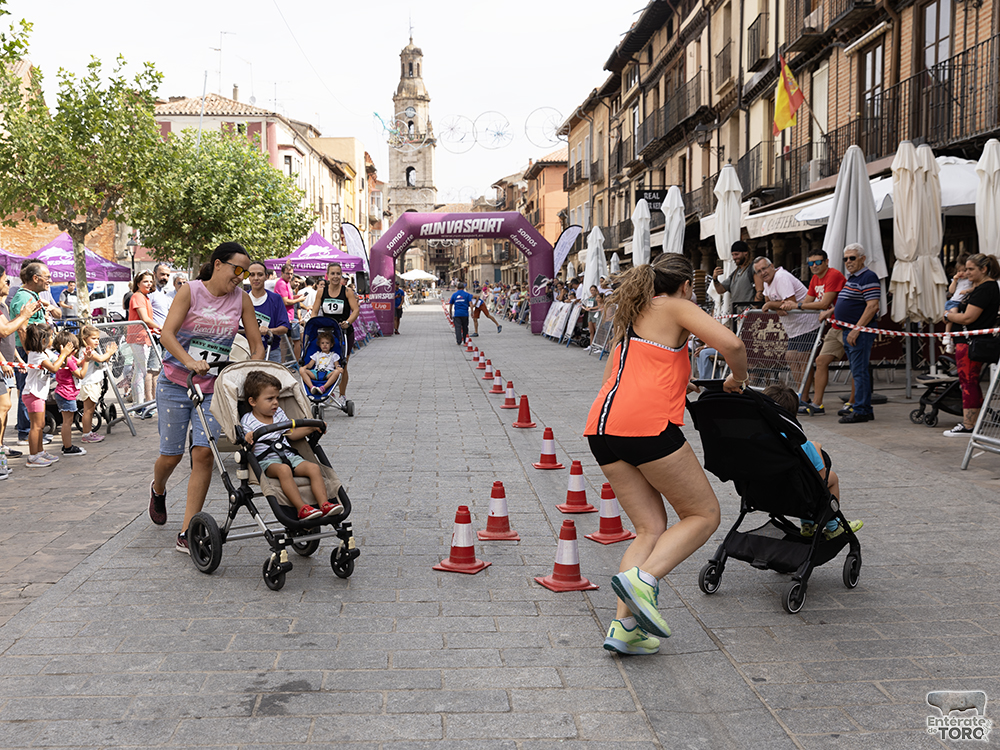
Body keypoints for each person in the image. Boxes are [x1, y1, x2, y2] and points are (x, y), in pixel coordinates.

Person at [584, 253, 748, 655]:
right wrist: (737, 378)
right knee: (704, 515)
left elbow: (615, 378)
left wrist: (680, 383)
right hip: (646, 427)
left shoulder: (633, 318)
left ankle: (625, 629)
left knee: (649, 529)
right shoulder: (676, 304)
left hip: (602, 429)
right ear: (686, 285)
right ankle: (646, 579)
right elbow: (732, 343)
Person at [151, 242, 264, 553]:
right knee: (171, 456)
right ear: (217, 264)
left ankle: (188, 530)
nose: (241, 277)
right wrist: (188, 361)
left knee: (203, 455)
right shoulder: (190, 291)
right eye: (236, 269)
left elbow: (256, 344)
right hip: (176, 383)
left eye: (245, 271)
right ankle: (158, 488)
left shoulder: (241, 299)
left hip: (214, 387)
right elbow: (167, 334)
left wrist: (249, 369)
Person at [762, 384, 864, 540]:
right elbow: (821, 478)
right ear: (793, 416)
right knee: (831, 479)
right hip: (795, 494)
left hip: (765, 493)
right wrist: (816, 449)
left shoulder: (757, 441)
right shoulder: (801, 444)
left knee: (803, 482)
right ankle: (833, 525)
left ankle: (808, 524)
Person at [240, 370, 343, 521]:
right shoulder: (247, 420)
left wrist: (312, 427)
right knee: (284, 469)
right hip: (268, 461)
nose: (276, 402)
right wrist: (249, 438)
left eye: (277, 398)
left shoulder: (279, 414)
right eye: (270, 399)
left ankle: (324, 504)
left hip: (289, 456)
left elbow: (291, 434)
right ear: (253, 402)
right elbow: (250, 449)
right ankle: (302, 508)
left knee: (314, 468)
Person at [780, 249, 849, 416]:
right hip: (835, 326)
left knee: (856, 365)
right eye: (811, 263)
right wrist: (788, 305)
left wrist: (795, 305)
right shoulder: (815, 279)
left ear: (826, 261)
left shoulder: (833, 275)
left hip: (850, 324)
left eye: (818, 262)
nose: (814, 266)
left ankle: (856, 403)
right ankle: (816, 403)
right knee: (820, 361)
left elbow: (823, 303)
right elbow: (808, 301)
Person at [941, 253, 1000, 436]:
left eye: (971, 269)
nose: (967, 272)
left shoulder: (986, 288)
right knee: (968, 382)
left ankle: (969, 425)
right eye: (966, 269)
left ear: (984, 269)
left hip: (970, 343)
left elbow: (968, 317)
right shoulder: (979, 287)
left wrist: (948, 316)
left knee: (968, 382)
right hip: (966, 341)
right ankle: (974, 422)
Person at [826, 244, 882, 424]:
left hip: (859, 332)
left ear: (862, 258)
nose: (848, 262)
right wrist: (832, 311)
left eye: (852, 258)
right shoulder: (853, 278)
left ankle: (861, 410)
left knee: (859, 371)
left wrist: (857, 329)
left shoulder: (868, 276)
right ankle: (862, 407)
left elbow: (872, 306)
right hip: (848, 330)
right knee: (857, 371)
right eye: (846, 259)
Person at [755, 256, 822, 395]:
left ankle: (804, 397)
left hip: (807, 322)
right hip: (794, 327)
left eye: (764, 268)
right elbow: (769, 302)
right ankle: (801, 393)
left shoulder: (781, 277)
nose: (763, 273)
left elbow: (789, 303)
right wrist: (776, 306)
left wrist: (772, 305)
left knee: (802, 359)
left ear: (772, 266)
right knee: (791, 357)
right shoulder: (767, 282)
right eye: (759, 271)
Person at [695, 241, 756, 378]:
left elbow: (759, 291)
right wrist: (715, 278)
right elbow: (721, 290)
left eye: (737, 254)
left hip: (750, 317)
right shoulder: (735, 273)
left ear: (745, 253)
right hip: (738, 319)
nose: (734, 257)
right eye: (733, 255)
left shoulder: (752, 269)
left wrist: (755, 307)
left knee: (749, 352)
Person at [9, 262, 52, 447]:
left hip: (34, 349)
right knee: (28, 390)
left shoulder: (32, 296)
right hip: (27, 350)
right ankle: (26, 432)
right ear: (36, 278)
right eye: (47, 277)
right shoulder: (24, 297)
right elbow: (21, 326)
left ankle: (33, 431)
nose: (49, 281)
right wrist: (30, 351)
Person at [0, 267, 40, 465]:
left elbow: (8, 338)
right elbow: (5, 331)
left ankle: (0, 447)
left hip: (8, 362)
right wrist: (24, 316)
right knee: (4, 406)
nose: (9, 285)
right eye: (6, 280)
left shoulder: (3, 306)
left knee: (5, 408)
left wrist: (18, 359)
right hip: (2, 364)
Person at [21, 323, 74, 467]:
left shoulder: (46, 352)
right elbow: (54, 368)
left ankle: (40, 452)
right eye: (51, 336)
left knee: (41, 424)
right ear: (42, 339)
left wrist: (64, 355)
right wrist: (63, 355)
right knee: (36, 426)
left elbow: (59, 363)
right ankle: (32, 457)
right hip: (33, 394)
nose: (53, 339)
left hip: (39, 394)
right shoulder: (36, 355)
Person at [310, 262, 360, 403]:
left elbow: (355, 310)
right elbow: (315, 311)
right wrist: (312, 323)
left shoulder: (347, 292)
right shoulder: (321, 291)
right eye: (332, 273)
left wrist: (348, 322)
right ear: (328, 275)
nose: (336, 276)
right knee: (325, 363)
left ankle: (342, 395)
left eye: (338, 273)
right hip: (327, 334)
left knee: (342, 365)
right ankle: (328, 391)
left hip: (344, 332)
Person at [77, 324, 117, 443]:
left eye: (98, 339)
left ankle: (88, 432)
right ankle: (86, 434)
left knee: (91, 409)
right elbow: (100, 359)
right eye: (93, 338)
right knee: (88, 410)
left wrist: (107, 355)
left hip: (93, 383)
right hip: (89, 384)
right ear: (85, 339)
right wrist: (109, 353)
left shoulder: (92, 351)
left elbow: (102, 362)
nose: (96, 341)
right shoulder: (87, 351)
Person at [52, 330, 88, 456]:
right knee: (67, 422)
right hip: (66, 394)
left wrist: (85, 358)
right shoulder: (69, 360)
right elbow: (81, 374)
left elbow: (79, 362)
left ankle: (66, 445)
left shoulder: (65, 358)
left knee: (67, 420)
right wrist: (87, 362)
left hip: (64, 392)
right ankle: (68, 447)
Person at [126, 271, 160, 407]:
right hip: (138, 338)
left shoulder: (144, 297)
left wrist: (155, 328)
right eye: (146, 281)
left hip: (144, 337)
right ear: (138, 283)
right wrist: (161, 327)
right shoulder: (138, 296)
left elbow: (147, 320)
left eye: (151, 281)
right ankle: (139, 405)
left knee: (139, 372)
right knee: (140, 372)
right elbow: (144, 319)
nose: (149, 284)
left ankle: (138, 404)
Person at [246, 262, 290, 364]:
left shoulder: (275, 299)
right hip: (245, 352)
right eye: (252, 275)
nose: (256, 278)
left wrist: (269, 330)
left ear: (266, 277)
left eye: (260, 274)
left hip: (270, 351)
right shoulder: (242, 298)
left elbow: (284, 327)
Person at [942, 253, 972, 354]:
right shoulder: (958, 280)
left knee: (951, 317)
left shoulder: (970, 280)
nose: (961, 273)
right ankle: (947, 334)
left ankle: (950, 339)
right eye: (959, 271)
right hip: (953, 301)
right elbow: (951, 291)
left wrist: (967, 291)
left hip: (960, 302)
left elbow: (974, 288)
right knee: (951, 316)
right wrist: (954, 281)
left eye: (964, 271)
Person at [275, 263, 305, 361]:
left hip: (290, 318)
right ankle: (284, 363)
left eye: (291, 274)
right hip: (285, 318)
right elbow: (286, 301)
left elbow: (289, 298)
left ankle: (294, 362)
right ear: (282, 273)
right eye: (287, 273)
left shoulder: (287, 283)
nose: (290, 276)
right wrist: (299, 300)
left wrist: (297, 297)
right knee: (285, 342)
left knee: (293, 341)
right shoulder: (281, 283)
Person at [301, 330, 344, 395]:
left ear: (331, 345)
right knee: (301, 369)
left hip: (328, 373)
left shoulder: (334, 355)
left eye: (327, 343)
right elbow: (310, 365)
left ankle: (324, 387)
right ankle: (312, 387)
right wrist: (305, 367)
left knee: (337, 372)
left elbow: (336, 365)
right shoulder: (316, 354)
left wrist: (339, 368)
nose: (325, 345)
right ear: (319, 344)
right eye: (322, 343)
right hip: (316, 373)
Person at [148, 263, 174, 328]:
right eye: (162, 274)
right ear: (154, 274)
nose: (165, 277)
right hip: (154, 334)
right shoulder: (149, 292)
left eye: (167, 275)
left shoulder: (162, 291)